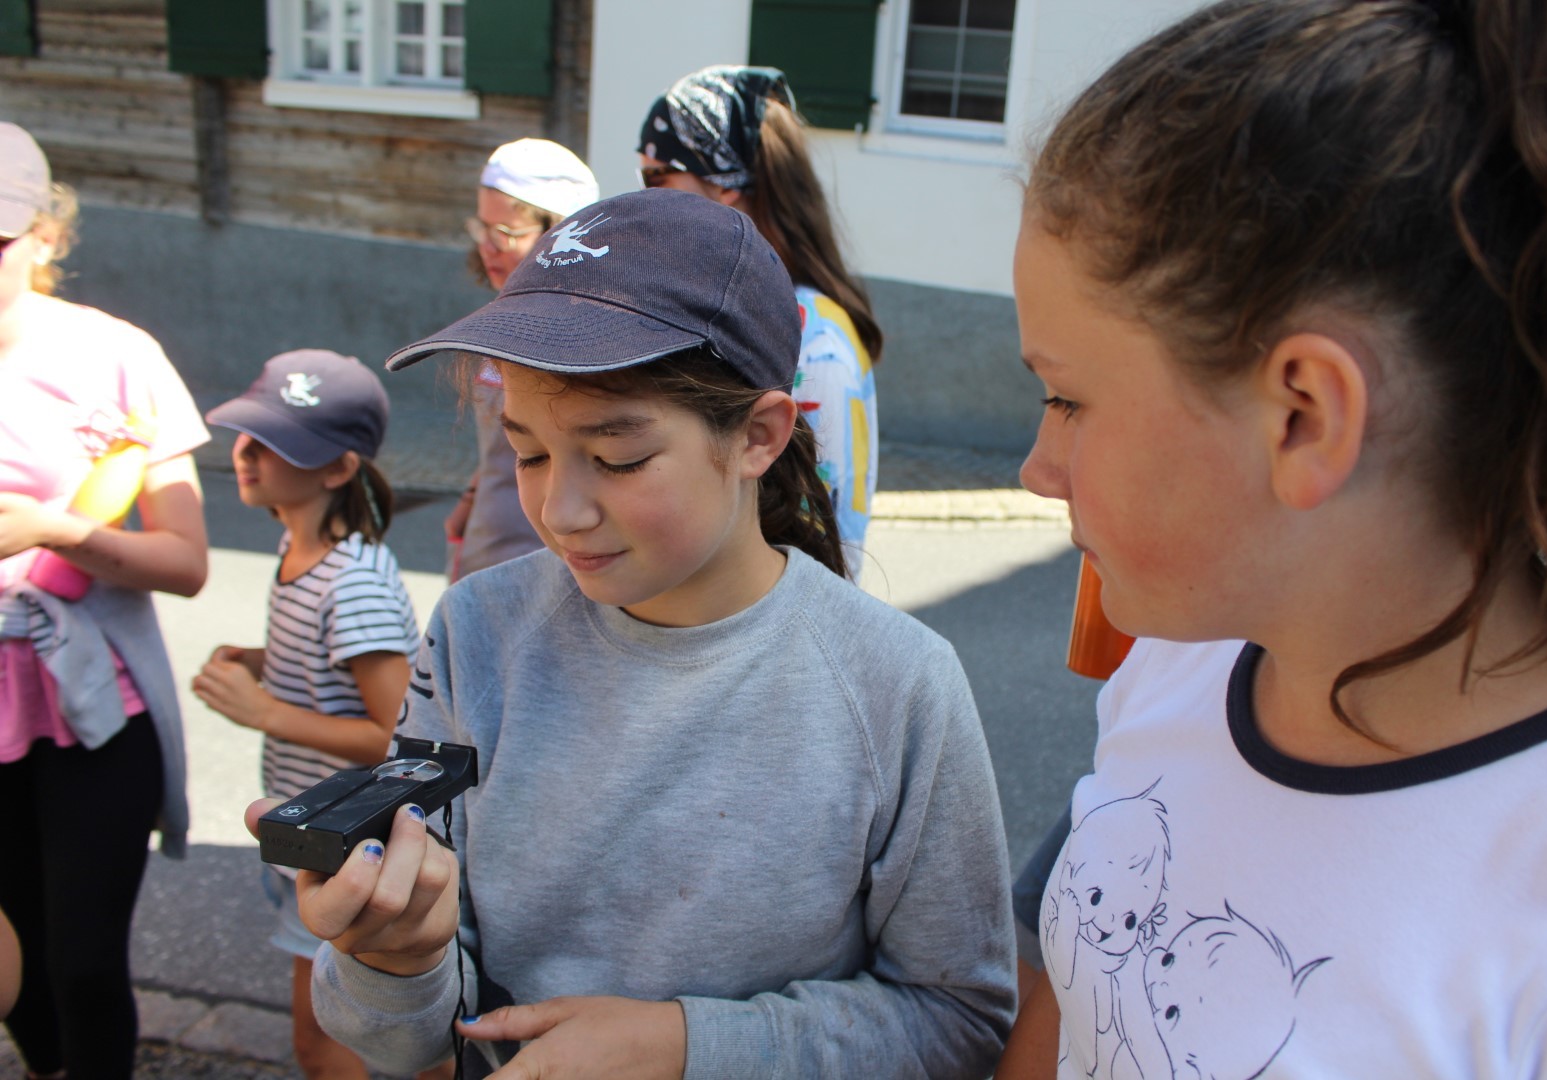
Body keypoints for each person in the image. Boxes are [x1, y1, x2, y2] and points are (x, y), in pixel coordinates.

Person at [247, 188, 1015, 1078]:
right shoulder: (475, 634)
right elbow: (400, 1033)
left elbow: (960, 1018)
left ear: (759, 435)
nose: (559, 511)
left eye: (618, 458)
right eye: (529, 452)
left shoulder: (898, 685)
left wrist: (688, 1048)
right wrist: (395, 958)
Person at [996, 1, 1547, 1077]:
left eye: (1067, 400)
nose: (1037, 468)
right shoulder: (1174, 675)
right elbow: (1081, 989)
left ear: (1304, 417)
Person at [0, 122, 210, 1078]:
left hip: (93, 709)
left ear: (47, 233)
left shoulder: (115, 355)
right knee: (21, 972)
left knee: (85, 964)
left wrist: (54, 529)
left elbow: (187, 560)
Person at [191, 349, 424, 1079]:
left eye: (276, 442)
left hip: (345, 844)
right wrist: (266, 659)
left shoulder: (351, 583)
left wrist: (267, 712)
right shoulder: (301, 546)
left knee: (324, 1047)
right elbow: (336, 666)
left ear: (338, 469)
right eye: (247, 432)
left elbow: (399, 740)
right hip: (308, 827)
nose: (247, 453)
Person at [638, 65, 881, 578]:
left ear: (723, 182)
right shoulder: (734, 310)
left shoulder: (812, 335)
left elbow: (823, 534)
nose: (646, 197)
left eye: (658, 176)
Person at [447, 139, 599, 582]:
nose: (488, 247)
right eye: (482, 229)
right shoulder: (506, 313)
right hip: (486, 541)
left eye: (506, 234)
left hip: (545, 559)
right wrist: (471, 498)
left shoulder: (578, 332)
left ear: (560, 235)